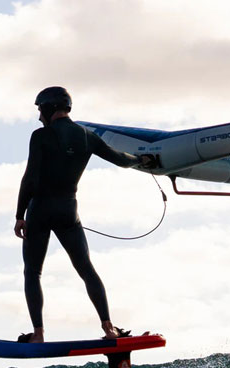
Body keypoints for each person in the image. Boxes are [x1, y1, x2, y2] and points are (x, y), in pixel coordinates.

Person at [14, 86, 152, 343]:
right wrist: (140, 160)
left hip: (40, 210)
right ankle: (109, 329)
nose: (38, 116)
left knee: (33, 272)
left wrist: (19, 215)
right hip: (68, 210)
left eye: (39, 110)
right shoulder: (86, 136)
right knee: (86, 269)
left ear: (48, 108)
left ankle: (39, 334)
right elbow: (120, 159)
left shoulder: (41, 136)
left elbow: (30, 176)